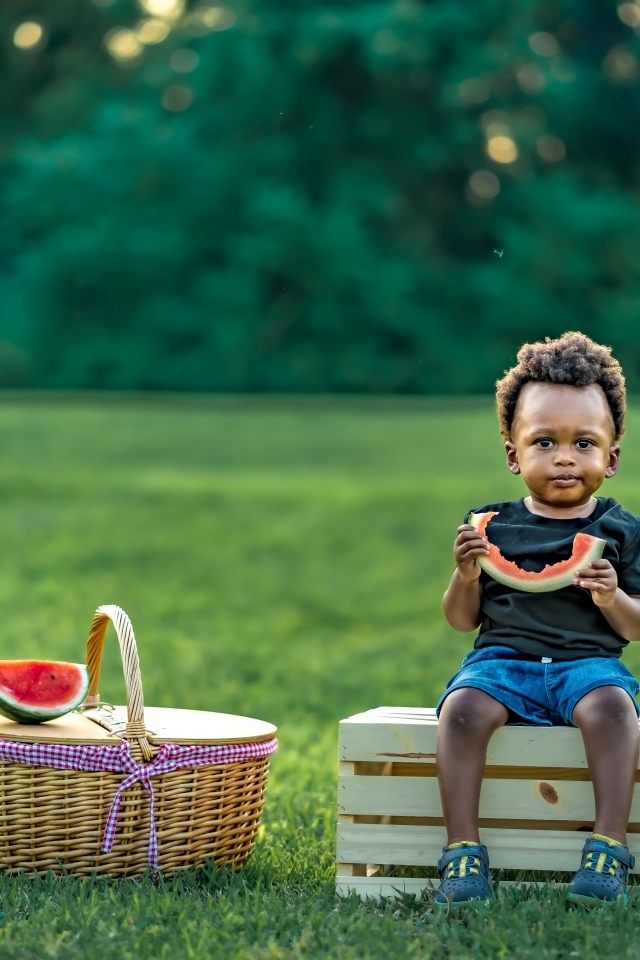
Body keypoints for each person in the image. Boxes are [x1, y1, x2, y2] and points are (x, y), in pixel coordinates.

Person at [435, 331, 640, 908]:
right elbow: (459, 620)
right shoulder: (489, 526)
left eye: (584, 443)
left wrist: (611, 598)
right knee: (460, 710)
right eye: (545, 442)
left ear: (612, 458)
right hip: (502, 662)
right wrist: (467, 575)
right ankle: (462, 852)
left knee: (616, 710)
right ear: (513, 453)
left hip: (588, 665)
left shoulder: (622, 531)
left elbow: (635, 627)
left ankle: (608, 847)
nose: (565, 457)